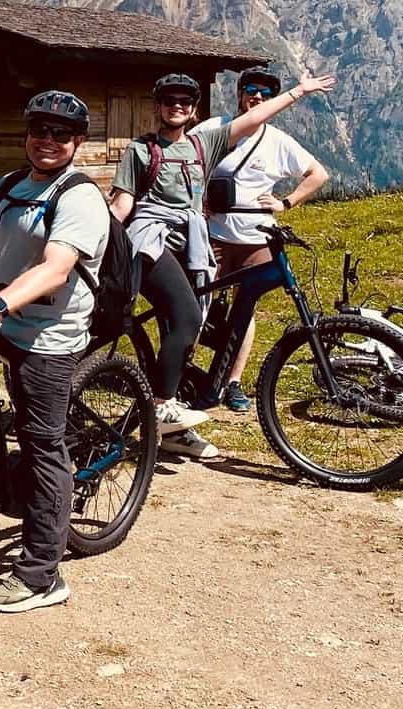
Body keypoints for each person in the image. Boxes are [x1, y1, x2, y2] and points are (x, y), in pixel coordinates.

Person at [0, 90, 109, 612]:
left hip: (51, 334)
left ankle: (41, 577)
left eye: (60, 133)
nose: (47, 140)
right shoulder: (11, 185)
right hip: (8, 316)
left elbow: (56, 268)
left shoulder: (79, 196)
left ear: (77, 142)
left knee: (41, 444)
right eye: (39, 130)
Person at [109, 69, 335, 459]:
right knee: (187, 318)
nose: (176, 107)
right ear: (157, 107)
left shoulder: (204, 142)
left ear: (194, 109)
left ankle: (177, 426)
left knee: (186, 321)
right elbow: (121, 205)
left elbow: (255, 120)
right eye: (169, 101)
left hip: (193, 243)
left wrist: (298, 92)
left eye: (184, 101)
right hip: (152, 240)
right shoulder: (140, 150)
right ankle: (162, 406)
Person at [194, 67, 330, 412]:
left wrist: (286, 202)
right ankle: (184, 373)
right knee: (198, 304)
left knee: (246, 307)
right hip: (214, 234)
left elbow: (319, 174)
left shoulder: (278, 141)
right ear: (239, 93)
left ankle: (232, 381)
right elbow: (183, 162)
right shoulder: (214, 129)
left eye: (266, 94)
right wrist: (198, 201)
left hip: (256, 237)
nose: (258, 97)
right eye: (251, 90)